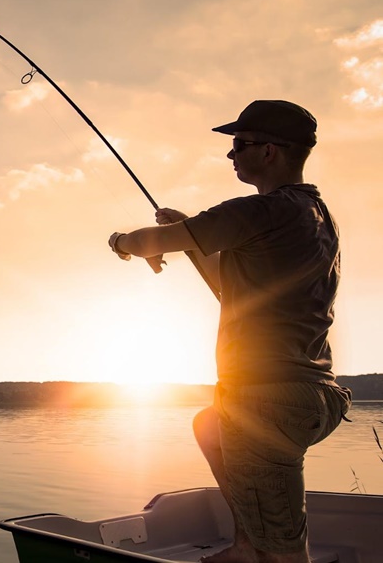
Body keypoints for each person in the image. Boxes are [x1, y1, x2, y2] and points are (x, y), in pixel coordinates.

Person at [106, 99, 352, 563]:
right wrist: (188, 233)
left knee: (285, 553)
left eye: (240, 145)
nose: (231, 155)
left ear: (271, 152)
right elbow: (228, 285)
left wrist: (120, 243)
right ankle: (244, 545)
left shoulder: (259, 212)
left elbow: (145, 243)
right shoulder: (317, 217)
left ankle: (261, 550)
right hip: (316, 396)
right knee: (211, 426)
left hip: (267, 401)